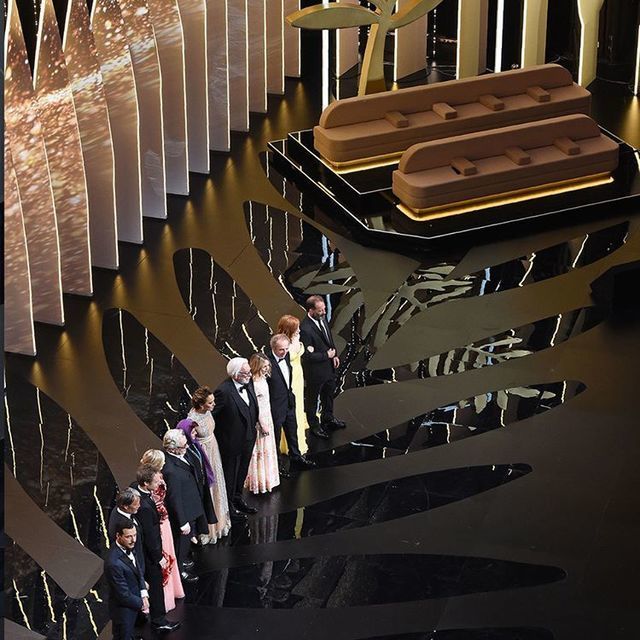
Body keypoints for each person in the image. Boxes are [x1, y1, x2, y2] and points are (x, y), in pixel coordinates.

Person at [162, 429, 216, 584]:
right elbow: (174, 499)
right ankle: (179, 573)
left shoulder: (182, 455)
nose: (187, 447)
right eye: (183, 446)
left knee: (185, 545)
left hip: (192, 507)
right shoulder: (170, 470)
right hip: (184, 514)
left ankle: (182, 562)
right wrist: (182, 521)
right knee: (181, 545)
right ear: (172, 449)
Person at [131, 465, 180, 633]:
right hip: (149, 554)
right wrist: (158, 557)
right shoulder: (144, 506)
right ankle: (159, 621)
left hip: (144, 551)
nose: (159, 482)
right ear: (146, 483)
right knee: (156, 585)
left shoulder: (136, 489)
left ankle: (140, 616)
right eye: (155, 481)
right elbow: (150, 535)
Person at [211, 357, 259, 518]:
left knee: (242, 472)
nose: (249, 375)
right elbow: (212, 416)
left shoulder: (248, 383)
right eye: (246, 373)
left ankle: (238, 499)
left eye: (249, 372)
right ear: (235, 374)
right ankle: (229, 506)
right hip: (231, 443)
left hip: (248, 438)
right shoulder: (223, 391)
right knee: (230, 475)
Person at [139, 449, 185, 612]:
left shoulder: (150, 478)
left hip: (164, 521)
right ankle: (164, 597)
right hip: (159, 523)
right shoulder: (152, 483)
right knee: (162, 556)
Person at [187, 386, 232, 543]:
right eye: (210, 403)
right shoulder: (192, 419)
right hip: (204, 453)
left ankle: (221, 521)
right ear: (201, 405)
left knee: (218, 483)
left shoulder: (207, 411)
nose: (214, 405)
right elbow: (190, 441)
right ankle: (209, 528)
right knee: (209, 487)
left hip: (213, 448)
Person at [266, 334, 315, 474]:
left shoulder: (286, 355)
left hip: (289, 402)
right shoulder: (266, 362)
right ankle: (277, 466)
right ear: (273, 348)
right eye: (281, 350)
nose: (285, 352)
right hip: (275, 407)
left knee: (292, 432)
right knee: (275, 437)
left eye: (286, 349)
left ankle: (296, 457)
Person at [299, 295, 347, 437]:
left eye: (324, 309)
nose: (324, 312)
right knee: (313, 400)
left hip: (329, 368)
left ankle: (328, 418)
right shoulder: (305, 329)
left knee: (328, 395)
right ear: (311, 310)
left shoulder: (322, 318)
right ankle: (314, 425)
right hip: (315, 372)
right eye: (320, 310)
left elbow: (328, 338)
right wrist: (327, 355)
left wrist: (334, 354)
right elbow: (307, 356)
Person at [174, 418, 219, 545]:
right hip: (193, 489)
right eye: (192, 431)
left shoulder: (194, 445)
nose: (195, 433)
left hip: (200, 484)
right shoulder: (185, 451)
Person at [104, 521, 148, 640]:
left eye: (135, 535)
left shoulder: (129, 546)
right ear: (118, 536)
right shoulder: (113, 563)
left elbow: (137, 568)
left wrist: (143, 591)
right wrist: (142, 603)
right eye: (128, 536)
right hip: (123, 610)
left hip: (134, 601)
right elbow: (123, 595)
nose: (133, 540)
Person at [245, 353, 280, 493]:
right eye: (264, 366)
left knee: (268, 449)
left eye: (267, 366)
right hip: (260, 421)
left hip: (267, 416)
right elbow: (256, 406)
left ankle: (268, 479)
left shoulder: (263, 379)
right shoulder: (253, 383)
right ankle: (259, 482)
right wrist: (262, 423)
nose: (266, 369)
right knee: (260, 451)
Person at [276, 314, 311, 453]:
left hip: (298, 375)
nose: (299, 330)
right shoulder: (281, 344)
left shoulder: (295, 338)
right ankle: (289, 443)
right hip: (290, 378)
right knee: (292, 407)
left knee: (299, 405)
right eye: (296, 328)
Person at [107, 488, 144, 564]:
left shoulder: (120, 510)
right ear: (126, 506)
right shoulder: (121, 524)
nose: (139, 506)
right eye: (136, 504)